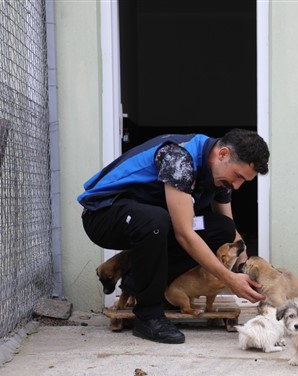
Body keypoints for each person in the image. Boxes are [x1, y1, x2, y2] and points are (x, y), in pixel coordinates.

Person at [78, 129, 270, 344]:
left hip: (150, 220)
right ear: (223, 154)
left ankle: (158, 289)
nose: (236, 185)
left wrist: (246, 266)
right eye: (238, 176)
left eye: (244, 181)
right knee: (157, 221)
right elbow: (184, 234)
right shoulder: (178, 158)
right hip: (103, 214)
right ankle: (148, 314)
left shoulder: (220, 175)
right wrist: (230, 280)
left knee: (221, 229)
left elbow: (230, 228)